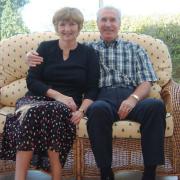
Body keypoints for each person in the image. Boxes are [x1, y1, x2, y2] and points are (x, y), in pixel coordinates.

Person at [26, 6, 166, 180]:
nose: (108, 24)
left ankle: (150, 172)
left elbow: (146, 81)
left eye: (112, 20)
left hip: (131, 96)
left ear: (119, 23)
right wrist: (30, 55)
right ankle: (105, 172)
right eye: (103, 20)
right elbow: (62, 54)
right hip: (103, 98)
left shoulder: (135, 49)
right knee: (97, 110)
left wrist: (133, 98)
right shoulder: (87, 50)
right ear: (97, 24)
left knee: (156, 106)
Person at [0, 7, 99, 180]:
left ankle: (55, 175)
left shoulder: (89, 53)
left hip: (66, 105)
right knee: (32, 112)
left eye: (72, 24)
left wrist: (81, 111)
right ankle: (21, 177)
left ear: (79, 26)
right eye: (62, 24)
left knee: (53, 112)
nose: (67, 29)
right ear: (56, 26)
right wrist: (59, 96)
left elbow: (92, 88)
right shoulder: (45, 48)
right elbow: (32, 81)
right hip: (35, 99)